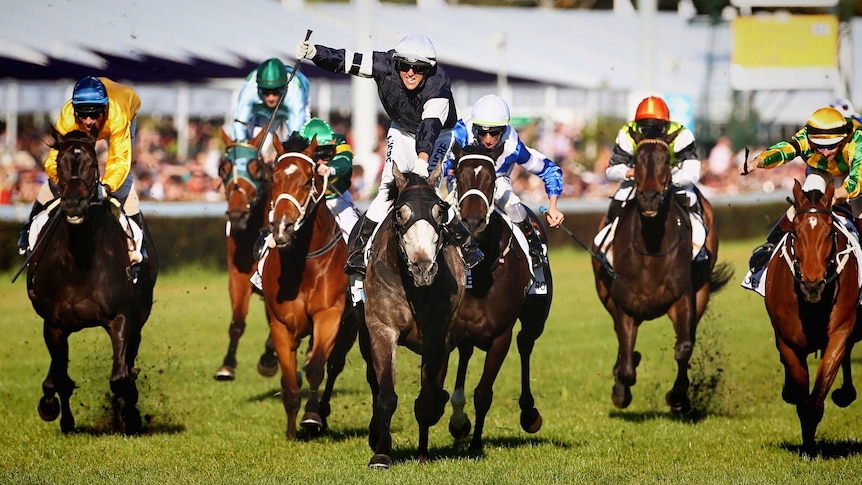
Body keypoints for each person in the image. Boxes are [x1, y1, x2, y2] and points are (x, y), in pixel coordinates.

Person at [295, 32, 482, 286]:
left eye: (419, 69)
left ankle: (468, 247)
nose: (411, 73)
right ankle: (359, 252)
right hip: (402, 130)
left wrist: (422, 158)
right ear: (397, 63)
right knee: (386, 191)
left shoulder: (438, 84)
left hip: (438, 135)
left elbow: (430, 126)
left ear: (429, 69)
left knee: (428, 195)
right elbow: (345, 60)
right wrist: (315, 53)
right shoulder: (383, 63)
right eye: (405, 66)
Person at [18, 76, 148, 269]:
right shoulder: (68, 116)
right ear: (75, 110)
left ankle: (139, 247)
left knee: (123, 184)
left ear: (104, 109)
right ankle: (28, 228)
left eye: (94, 114)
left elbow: (119, 162)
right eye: (83, 114)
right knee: (58, 178)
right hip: (98, 103)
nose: (88, 121)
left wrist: (106, 187)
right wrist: (64, 183)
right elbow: (53, 160)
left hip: (126, 107)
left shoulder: (117, 116)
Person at [738, 106, 862, 273]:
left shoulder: (857, 140)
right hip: (821, 171)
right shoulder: (807, 137)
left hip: (852, 175)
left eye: (831, 146)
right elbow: (784, 150)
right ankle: (771, 246)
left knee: (858, 208)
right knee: (804, 197)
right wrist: (757, 162)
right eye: (819, 146)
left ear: (842, 139)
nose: (825, 152)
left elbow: (856, 180)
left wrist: (837, 193)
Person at [447, 94, 564, 268]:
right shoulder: (459, 132)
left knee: (512, 204)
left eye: (494, 133)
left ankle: (534, 246)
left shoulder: (512, 145)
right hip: (462, 181)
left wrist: (553, 205)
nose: (488, 139)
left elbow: (550, 170)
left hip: (497, 179)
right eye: (482, 131)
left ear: (504, 128)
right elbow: (436, 162)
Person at [253, 117, 359, 258]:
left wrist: (331, 169)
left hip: (335, 198)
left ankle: (359, 271)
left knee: (353, 229)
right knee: (272, 228)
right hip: (303, 200)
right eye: (317, 155)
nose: (322, 160)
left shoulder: (340, 142)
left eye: (327, 153)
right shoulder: (296, 146)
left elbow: (344, 161)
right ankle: (260, 273)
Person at [604, 95, 703, 230]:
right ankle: (605, 243)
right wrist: (629, 172)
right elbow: (611, 171)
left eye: (655, 125)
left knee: (690, 200)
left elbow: (693, 174)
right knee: (619, 199)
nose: (650, 131)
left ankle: (701, 247)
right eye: (644, 126)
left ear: (665, 125)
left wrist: (665, 178)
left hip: (674, 178)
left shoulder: (681, 135)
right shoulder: (628, 133)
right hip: (639, 178)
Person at [229, 57, 310, 160]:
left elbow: (296, 132)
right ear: (258, 87)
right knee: (257, 148)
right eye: (265, 92)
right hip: (263, 112)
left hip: (290, 112)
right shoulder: (249, 90)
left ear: (284, 87)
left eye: (276, 91)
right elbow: (239, 123)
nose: (271, 98)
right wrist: (244, 149)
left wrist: (279, 155)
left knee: (299, 142)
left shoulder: (295, 92)